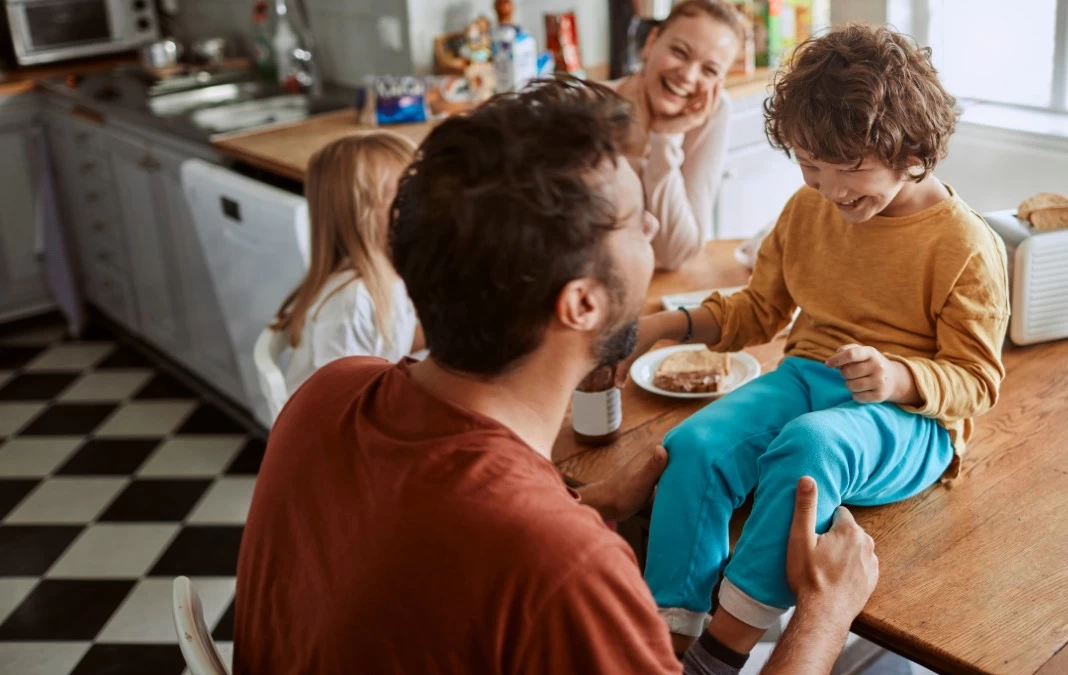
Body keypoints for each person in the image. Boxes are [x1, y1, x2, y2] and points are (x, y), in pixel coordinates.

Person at [235, 79, 878, 675]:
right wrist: (824, 614)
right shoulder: (566, 570)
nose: (653, 225)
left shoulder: (332, 389)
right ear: (582, 304)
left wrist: (584, 504)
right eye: (634, 220)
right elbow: (516, 553)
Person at [620, 25, 1010, 656]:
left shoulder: (965, 244)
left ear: (912, 150)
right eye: (810, 167)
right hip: (806, 376)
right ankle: (669, 639)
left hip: (912, 422)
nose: (831, 191)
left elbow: (978, 381)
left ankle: (723, 650)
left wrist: (897, 377)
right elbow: (760, 310)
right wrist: (660, 328)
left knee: (811, 445)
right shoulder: (809, 209)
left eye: (850, 169)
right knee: (693, 446)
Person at [270, 132, 424, 395]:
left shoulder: (387, 278)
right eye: (403, 199)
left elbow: (394, 341)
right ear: (360, 217)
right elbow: (336, 404)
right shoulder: (351, 304)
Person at [613, 0, 743, 270]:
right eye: (680, 52)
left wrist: (665, 139)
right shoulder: (588, 104)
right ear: (651, 43)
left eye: (709, 70)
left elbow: (677, 253)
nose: (688, 76)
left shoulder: (712, 111)